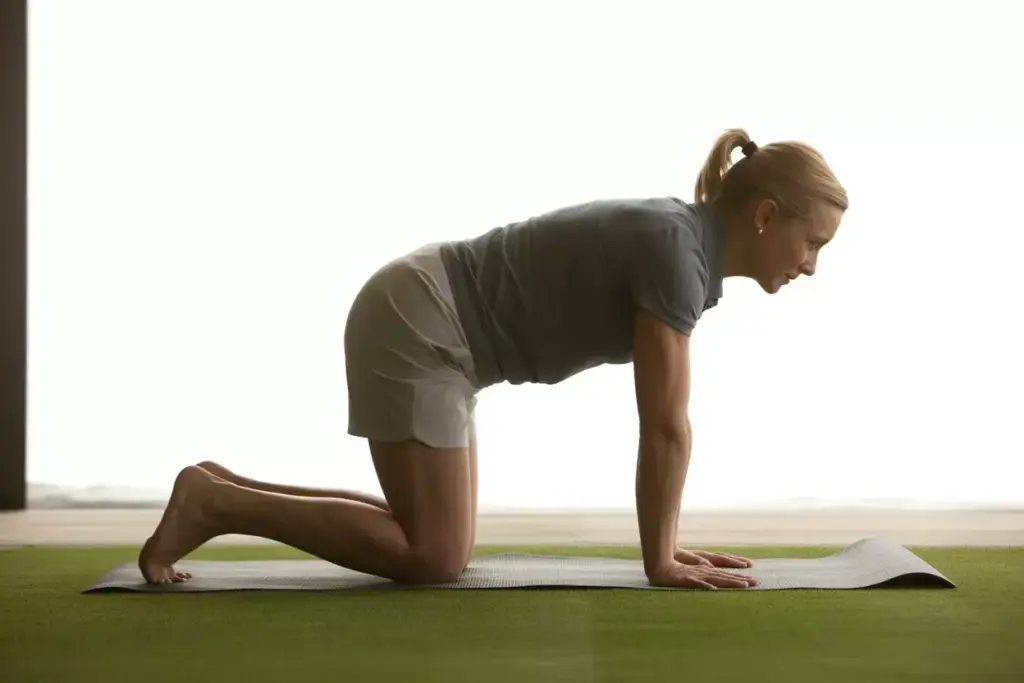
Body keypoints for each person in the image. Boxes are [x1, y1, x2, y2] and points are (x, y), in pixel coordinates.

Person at [139, 128, 848, 590]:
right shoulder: (677, 254)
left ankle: (216, 489)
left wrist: (669, 546)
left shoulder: (685, 247)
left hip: (431, 319)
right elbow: (666, 425)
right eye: (812, 242)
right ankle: (216, 502)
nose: (811, 265)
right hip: (421, 323)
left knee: (437, 537)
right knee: (435, 555)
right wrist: (660, 559)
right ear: (763, 215)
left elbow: (666, 425)